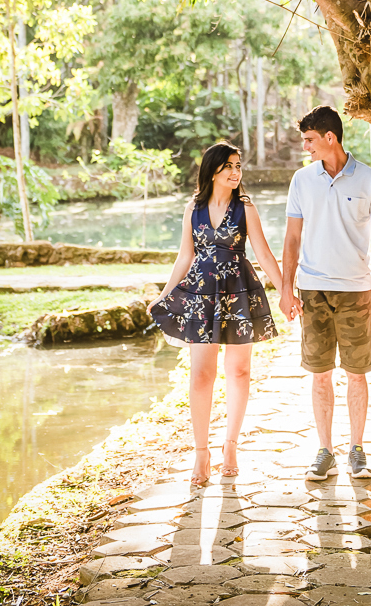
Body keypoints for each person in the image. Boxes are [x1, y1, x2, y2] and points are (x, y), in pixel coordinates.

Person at [149, 142, 286, 486]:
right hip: (201, 297)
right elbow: (185, 256)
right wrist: (164, 295)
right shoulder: (193, 209)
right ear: (212, 170)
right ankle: (201, 454)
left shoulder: (245, 208)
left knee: (239, 371)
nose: (236, 172)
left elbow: (266, 256)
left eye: (239, 166)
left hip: (239, 293)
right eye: (229, 165)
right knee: (201, 376)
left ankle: (230, 446)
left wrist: (286, 291)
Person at [280, 105, 371, 480]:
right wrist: (285, 287)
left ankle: (357, 450)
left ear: (330, 138)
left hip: (355, 290)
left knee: (357, 373)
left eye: (310, 140)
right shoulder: (302, 180)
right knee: (320, 373)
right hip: (312, 290)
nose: (306, 148)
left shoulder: (370, 179)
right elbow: (292, 238)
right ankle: (325, 451)